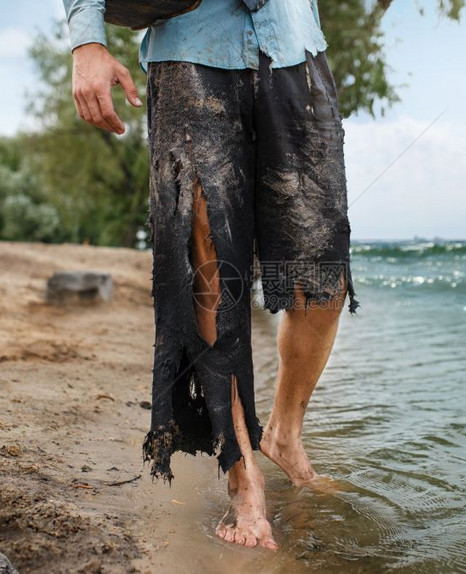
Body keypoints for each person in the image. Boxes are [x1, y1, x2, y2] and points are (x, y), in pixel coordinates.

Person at [62, 0, 358, 550]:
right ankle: (242, 473)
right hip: (191, 47)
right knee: (209, 267)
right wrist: (87, 40)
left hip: (294, 45)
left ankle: (284, 434)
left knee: (322, 274)